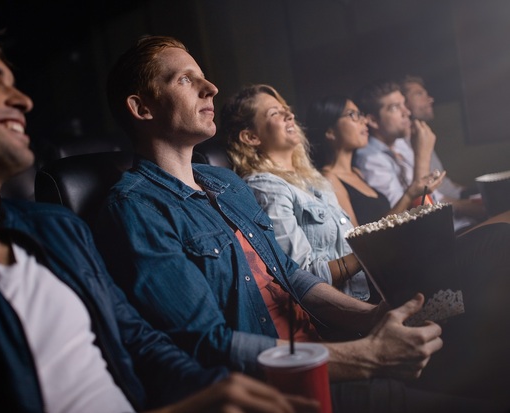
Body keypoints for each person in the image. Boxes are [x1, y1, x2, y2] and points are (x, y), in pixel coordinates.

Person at [0, 16, 321, 413]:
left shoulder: (57, 229)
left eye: (15, 83)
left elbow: (140, 342)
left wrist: (214, 391)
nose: (21, 100)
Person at [95, 35, 506, 412]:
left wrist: (372, 316)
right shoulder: (136, 207)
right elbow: (206, 344)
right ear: (142, 108)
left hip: (332, 347)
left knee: (488, 339)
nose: (211, 88)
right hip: (283, 389)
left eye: (204, 77)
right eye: (185, 80)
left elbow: (291, 276)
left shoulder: (223, 182)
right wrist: (366, 356)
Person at [221, 84, 373, 302]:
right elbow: (304, 275)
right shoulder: (266, 187)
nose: (289, 115)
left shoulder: (314, 179)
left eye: (286, 109)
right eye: (275, 113)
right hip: (339, 316)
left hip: (365, 294)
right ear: (251, 137)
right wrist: (371, 253)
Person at [305, 95, 444, 226]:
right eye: (352, 115)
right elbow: (357, 237)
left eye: (361, 114)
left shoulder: (357, 172)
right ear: (330, 132)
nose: (364, 121)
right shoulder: (329, 179)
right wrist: (409, 196)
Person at [399, 75, 486, 230]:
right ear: (402, 103)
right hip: (447, 215)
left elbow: (445, 184)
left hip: (458, 199)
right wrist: (477, 207)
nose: (430, 99)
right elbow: (426, 198)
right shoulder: (402, 147)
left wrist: (472, 193)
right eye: (419, 94)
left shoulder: (423, 135)